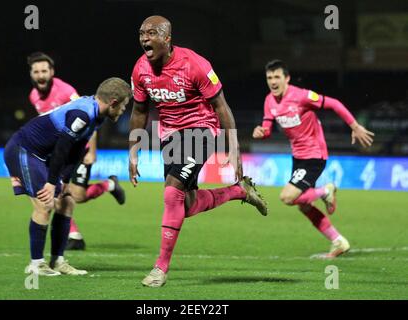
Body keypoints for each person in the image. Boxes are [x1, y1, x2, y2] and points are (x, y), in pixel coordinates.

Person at [129, 15, 268, 287]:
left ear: (168, 38)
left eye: (152, 33)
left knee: (172, 192)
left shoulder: (195, 64)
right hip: (169, 136)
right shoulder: (140, 70)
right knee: (186, 205)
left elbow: (221, 107)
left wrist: (233, 148)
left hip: (200, 130)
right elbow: (139, 110)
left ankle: (160, 268)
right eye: (142, 33)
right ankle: (239, 191)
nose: (145, 38)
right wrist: (133, 152)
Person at [4, 78, 131, 276]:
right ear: (114, 102)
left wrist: (63, 180)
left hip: (41, 156)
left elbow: (77, 149)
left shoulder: (97, 116)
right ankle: (36, 264)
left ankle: (58, 261)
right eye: (124, 106)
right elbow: (62, 149)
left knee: (67, 203)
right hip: (24, 150)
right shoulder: (83, 114)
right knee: (44, 203)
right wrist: (51, 182)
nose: (124, 110)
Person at [252, 59, 374, 258]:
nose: (273, 81)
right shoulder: (269, 101)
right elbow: (267, 128)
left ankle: (326, 190)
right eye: (269, 78)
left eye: (277, 77)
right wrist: (261, 132)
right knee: (304, 205)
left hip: (314, 155)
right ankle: (338, 241)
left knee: (287, 197)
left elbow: (334, 103)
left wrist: (355, 126)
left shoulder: (301, 96)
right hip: (298, 157)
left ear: (287, 78)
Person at [27, 52, 125, 250]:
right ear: (31, 74)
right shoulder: (33, 96)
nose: (41, 75)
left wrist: (91, 150)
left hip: (80, 148)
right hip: (60, 151)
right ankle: (74, 235)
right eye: (36, 71)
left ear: (52, 72)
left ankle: (109, 185)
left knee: (78, 195)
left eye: (44, 71)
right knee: (54, 191)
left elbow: (90, 114)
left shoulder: (66, 91)